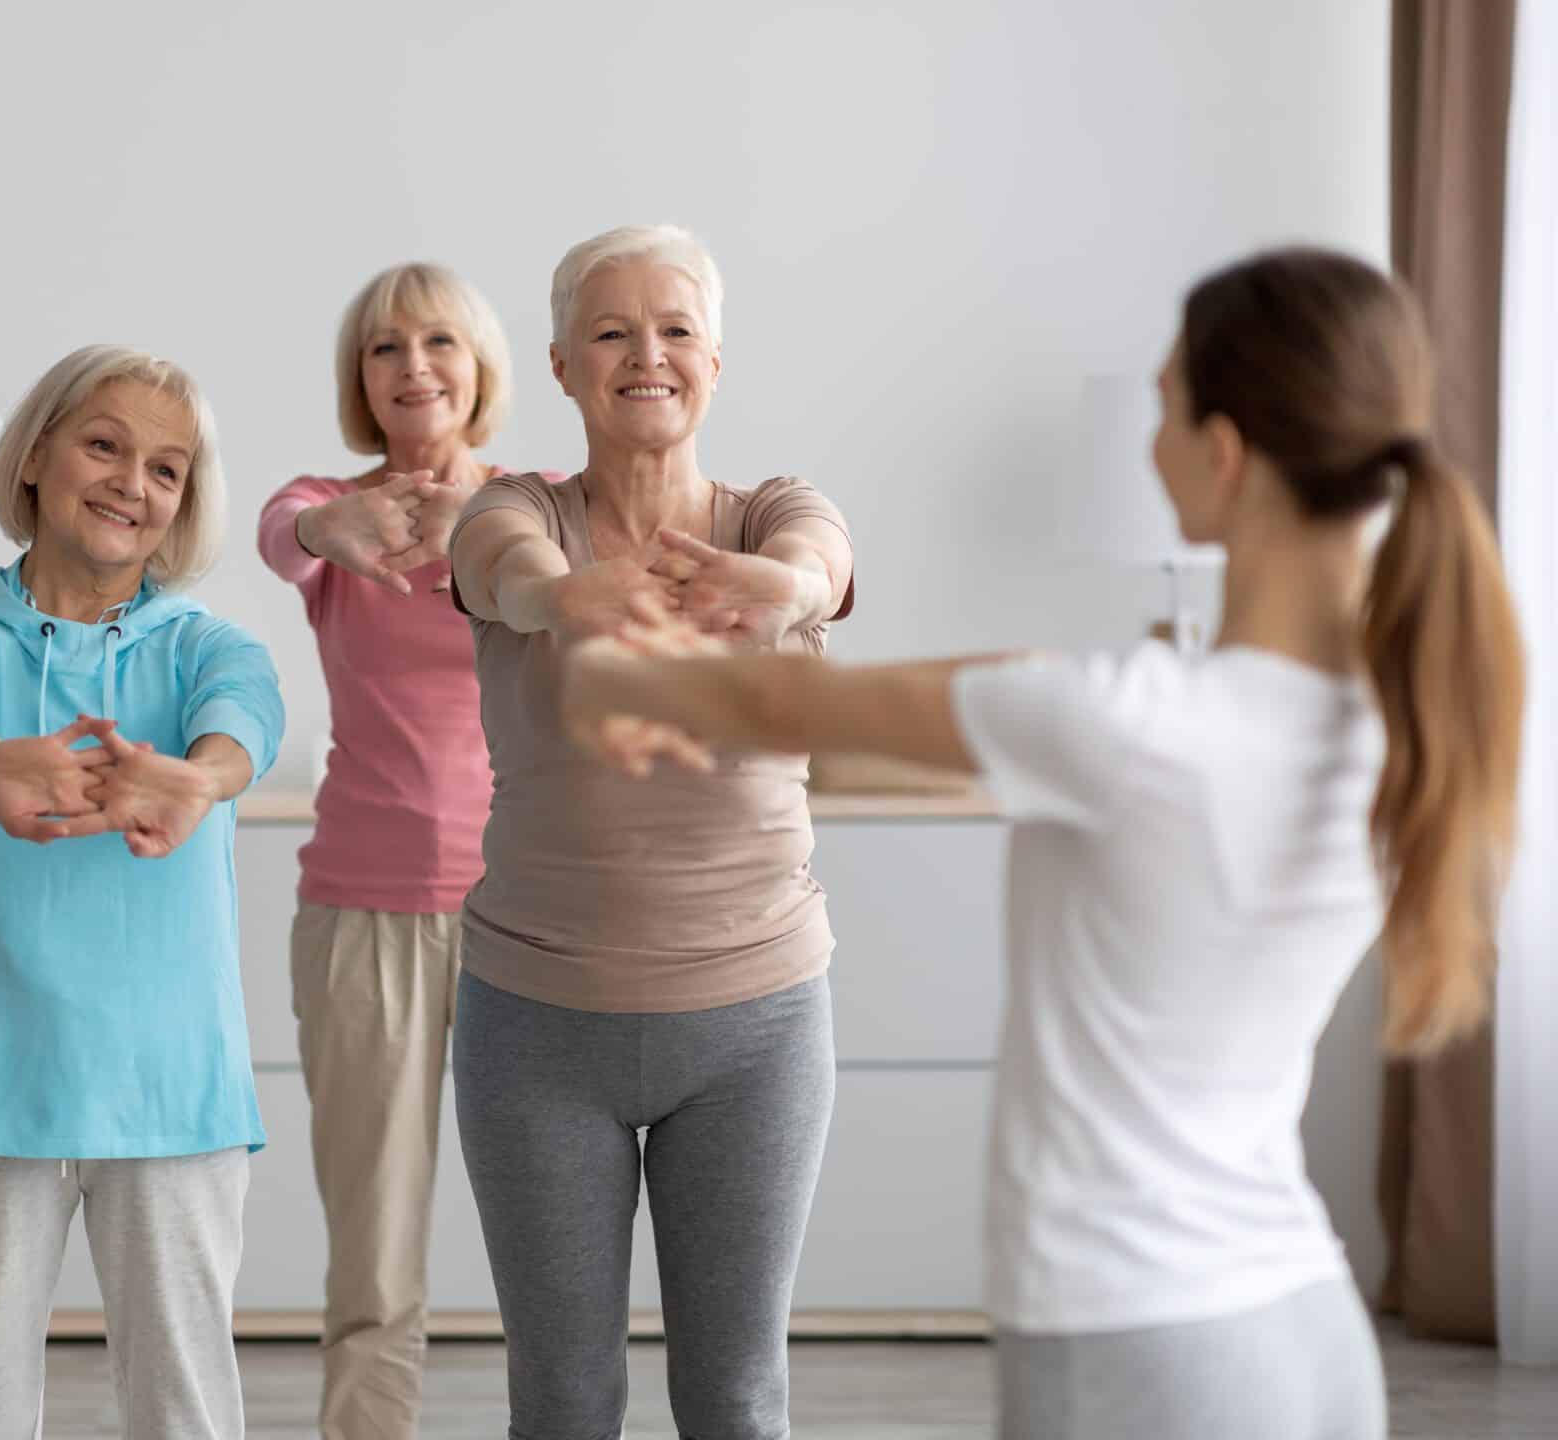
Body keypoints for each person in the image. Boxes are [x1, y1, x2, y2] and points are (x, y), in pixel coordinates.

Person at [560, 246, 1523, 1440]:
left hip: (1141, 1338)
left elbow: (771, 707)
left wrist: (606, 676)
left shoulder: (1124, 723)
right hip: (1302, 1319)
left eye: (1165, 406)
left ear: (1222, 456)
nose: (1149, 438)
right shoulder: (1399, 721)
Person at [443, 223, 856, 1437]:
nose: (647, 354)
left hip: (755, 1024)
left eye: (675, 329)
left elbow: (819, 559)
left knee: (734, 1397)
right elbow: (500, 567)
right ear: (565, 366)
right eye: (612, 332)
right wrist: (566, 597)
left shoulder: (770, 514)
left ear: (714, 362)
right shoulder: (517, 512)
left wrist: (779, 590)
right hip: (536, 1024)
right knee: (563, 1399)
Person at [0, 345, 283, 1439]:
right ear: (38, 454)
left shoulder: (207, 649)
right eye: (104, 445)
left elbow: (246, 725)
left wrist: (198, 779)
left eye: (165, 469)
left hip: (171, 1094)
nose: (130, 484)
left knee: (186, 1414)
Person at [254, 261, 552, 1439]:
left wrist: (482, 530)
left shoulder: (540, 506)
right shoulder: (326, 508)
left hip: (529, 914)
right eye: (384, 348)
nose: (411, 365)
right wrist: (336, 523)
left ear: (480, 368)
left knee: (553, 1250)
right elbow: (281, 532)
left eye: (437, 341)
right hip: (362, 916)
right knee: (373, 1261)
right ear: (359, 379)